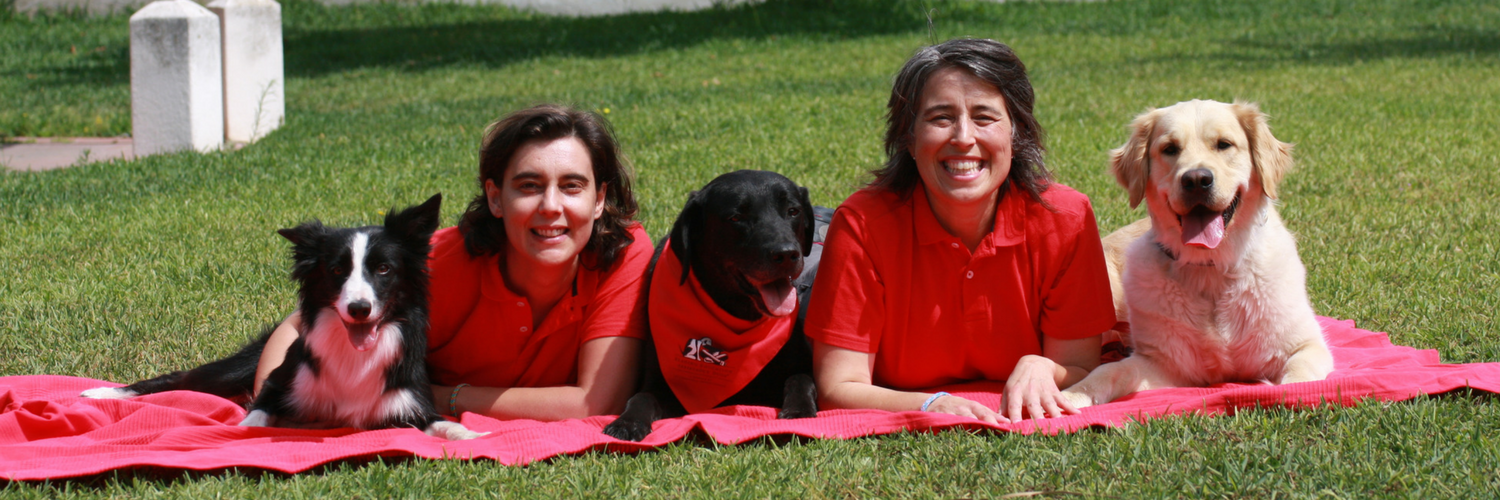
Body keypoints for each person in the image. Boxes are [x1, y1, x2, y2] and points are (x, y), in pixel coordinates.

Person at [255, 104, 650, 421]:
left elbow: (595, 404)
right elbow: (298, 327)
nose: (550, 207)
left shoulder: (624, 255)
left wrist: (444, 398)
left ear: (599, 199)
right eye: (529, 186)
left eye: (572, 186)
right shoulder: (440, 262)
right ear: (495, 198)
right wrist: (268, 401)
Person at [804, 39, 1116, 423]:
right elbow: (837, 388)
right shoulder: (862, 224)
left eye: (984, 117)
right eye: (940, 118)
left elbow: (1081, 370)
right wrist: (929, 404)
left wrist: (1044, 367)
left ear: (1016, 135)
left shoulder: (1066, 218)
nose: (964, 137)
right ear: (909, 139)